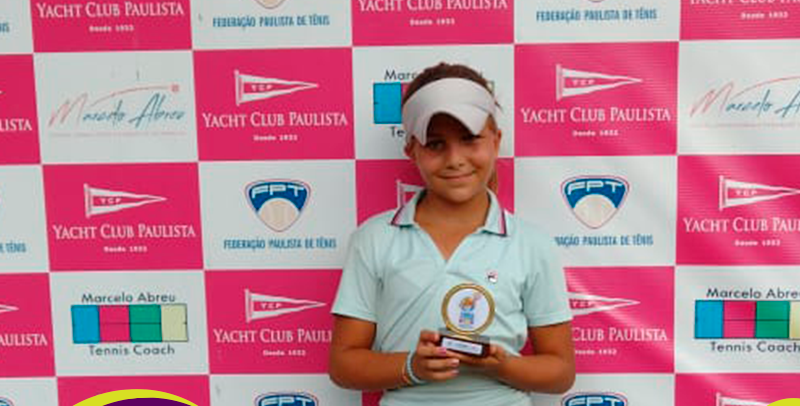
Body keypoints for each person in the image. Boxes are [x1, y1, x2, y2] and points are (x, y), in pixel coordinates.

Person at [329, 62, 575, 406]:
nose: (455, 159)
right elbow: (343, 366)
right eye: (435, 144)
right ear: (411, 150)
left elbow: (561, 373)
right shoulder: (374, 238)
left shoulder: (532, 244)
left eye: (469, 139)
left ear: (496, 141)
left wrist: (502, 365)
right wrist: (412, 367)